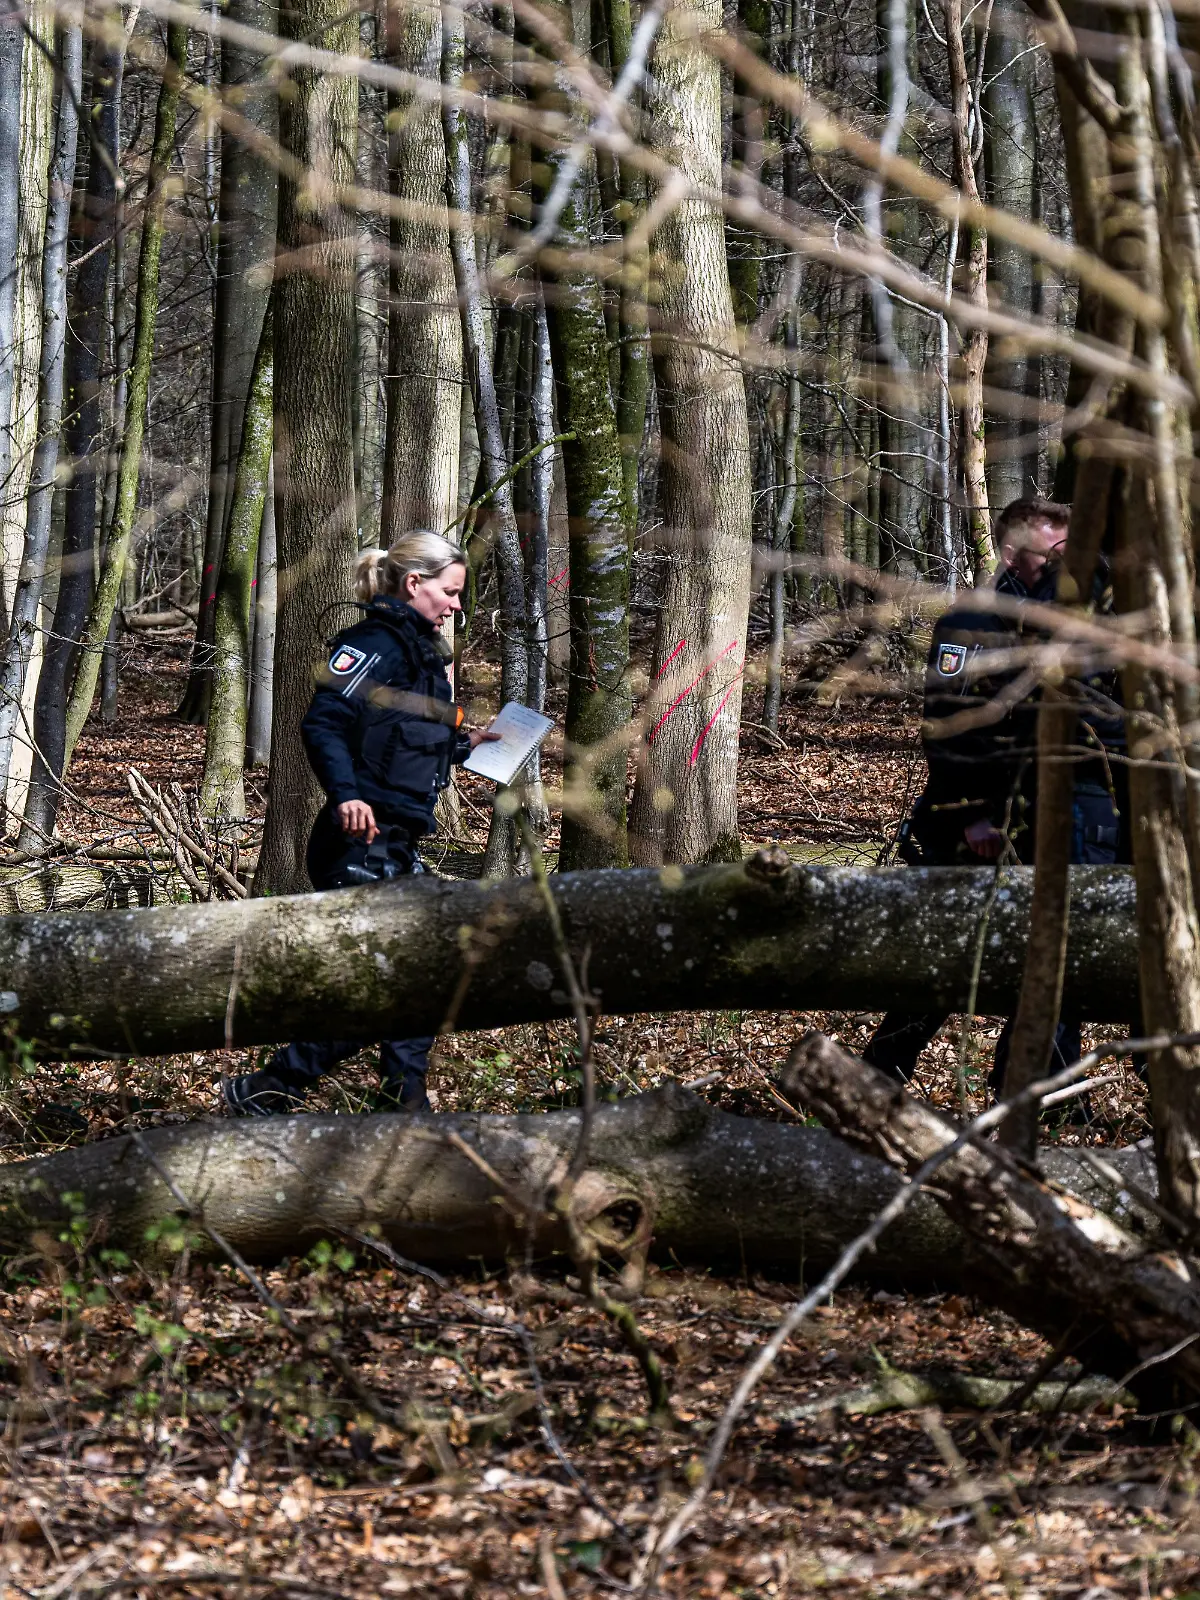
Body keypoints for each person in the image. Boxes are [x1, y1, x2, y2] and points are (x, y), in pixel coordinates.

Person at [221, 531, 497, 1117]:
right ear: (414, 584)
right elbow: (322, 722)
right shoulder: (372, 643)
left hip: (397, 844)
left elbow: (399, 746)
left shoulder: (425, 659)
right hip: (356, 842)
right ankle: (276, 1089)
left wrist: (462, 746)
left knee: (421, 975)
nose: (455, 606)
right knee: (396, 983)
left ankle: (396, 1102)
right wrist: (347, 796)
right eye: (449, 593)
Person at [864, 498, 1128, 1089]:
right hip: (983, 817)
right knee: (958, 951)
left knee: (1063, 945)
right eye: (1052, 548)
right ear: (1014, 551)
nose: (1067, 558)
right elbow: (950, 726)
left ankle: (1035, 1085)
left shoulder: (1081, 615)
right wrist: (972, 816)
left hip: (1065, 809)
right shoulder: (973, 622)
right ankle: (885, 1070)